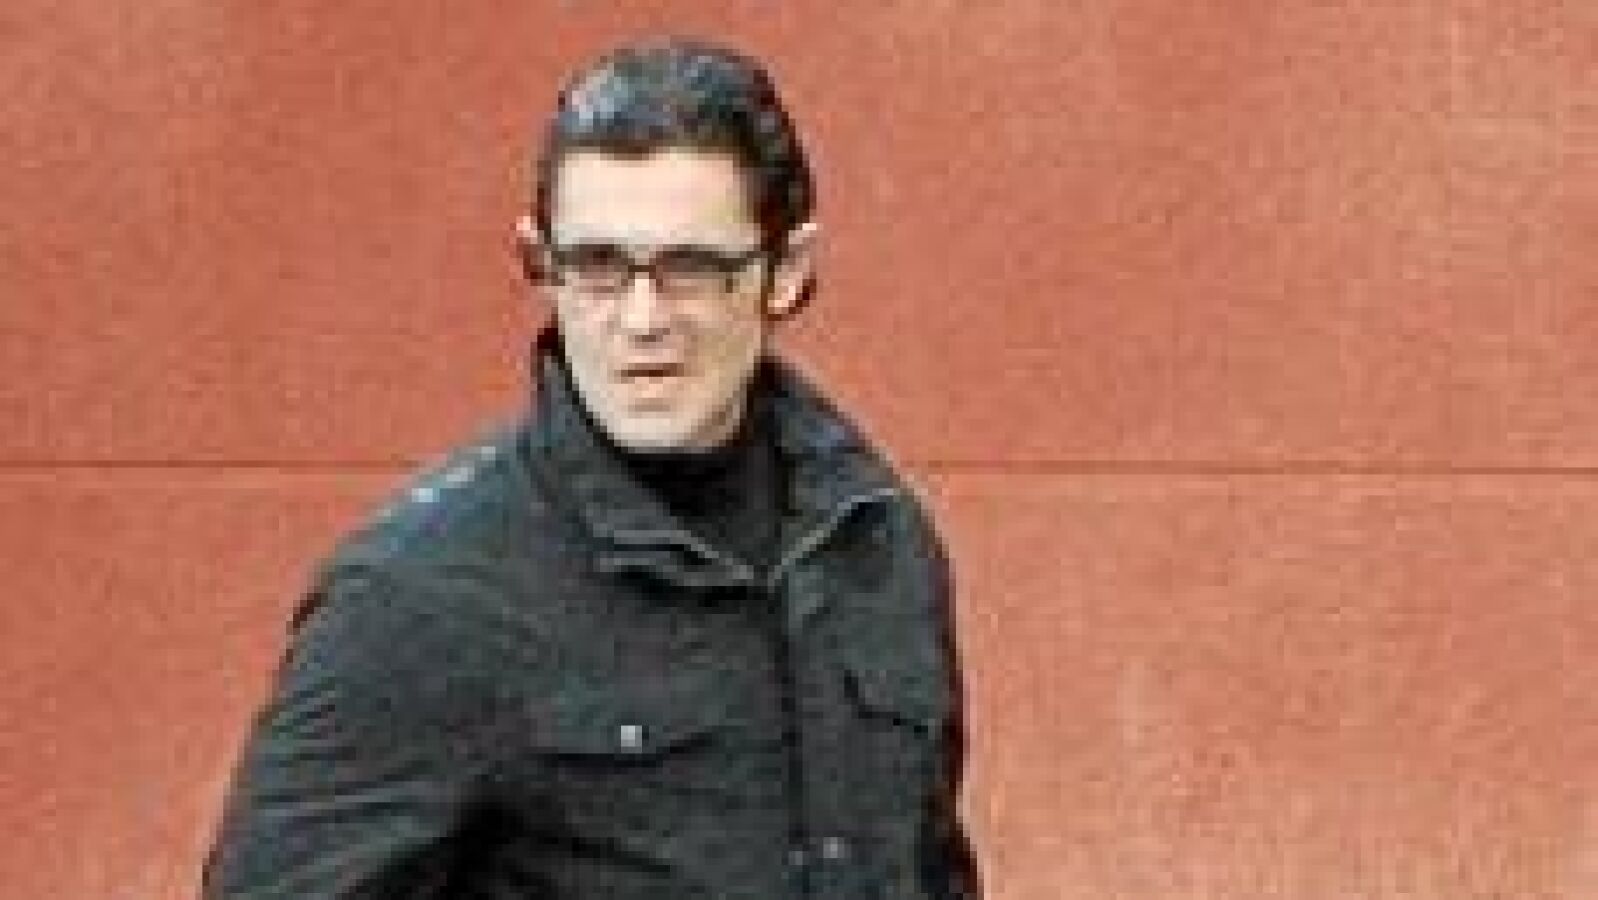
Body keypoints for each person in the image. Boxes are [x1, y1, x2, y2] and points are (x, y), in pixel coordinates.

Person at [200, 36, 982, 899]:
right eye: (598, 268)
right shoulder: (419, 596)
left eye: (691, 269)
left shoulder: (877, 545)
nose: (641, 320)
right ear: (543, 263)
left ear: (786, 272)